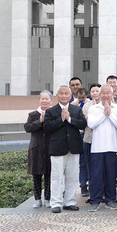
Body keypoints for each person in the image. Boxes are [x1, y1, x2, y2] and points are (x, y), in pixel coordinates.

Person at [43, 85, 87, 213]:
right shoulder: (51, 111)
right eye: (61, 93)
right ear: (57, 95)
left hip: (73, 148)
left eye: (66, 93)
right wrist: (61, 119)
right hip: (57, 148)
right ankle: (56, 203)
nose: (63, 96)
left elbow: (83, 124)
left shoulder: (76, 110)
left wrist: (69, 119)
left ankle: (70, 201)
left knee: (72, 176)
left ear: (70, 95)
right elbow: (47, 127)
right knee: (56, 177)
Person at [86, 85, 117, 212]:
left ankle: (110, 199)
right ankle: (95, 200)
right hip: (97, 147)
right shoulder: (93, 108)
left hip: (112, 147)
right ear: (100, 94)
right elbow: (91, 124)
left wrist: (110, 114)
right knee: (96, 175)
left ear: (112, 94)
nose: (106, 95)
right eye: (104, 93)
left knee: (111, 174)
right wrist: (104, 114)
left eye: (108, 93)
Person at [24, 90, 53, 208]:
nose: (45, 101)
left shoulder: (53, 114)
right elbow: (27, 127)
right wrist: (39, 121)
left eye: (47, 99)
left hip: (49, 149)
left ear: (51, 101)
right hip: (36, 149)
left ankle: (47, 198)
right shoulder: (33, 114)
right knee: (36, 176)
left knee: (49, 175)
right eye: (43, 98)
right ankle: (37, 199)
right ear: (39, 100)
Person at [80, 84, 101, 198]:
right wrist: (91, 110)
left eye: (97, 91)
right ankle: (92, 192)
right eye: (93, 91)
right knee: (89, 166)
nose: (95, 93)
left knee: (100, 167)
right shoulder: (86, 106)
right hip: (88, 139)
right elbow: (84, 121)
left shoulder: (104, 104)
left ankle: (101, 192)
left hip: (101, 140)